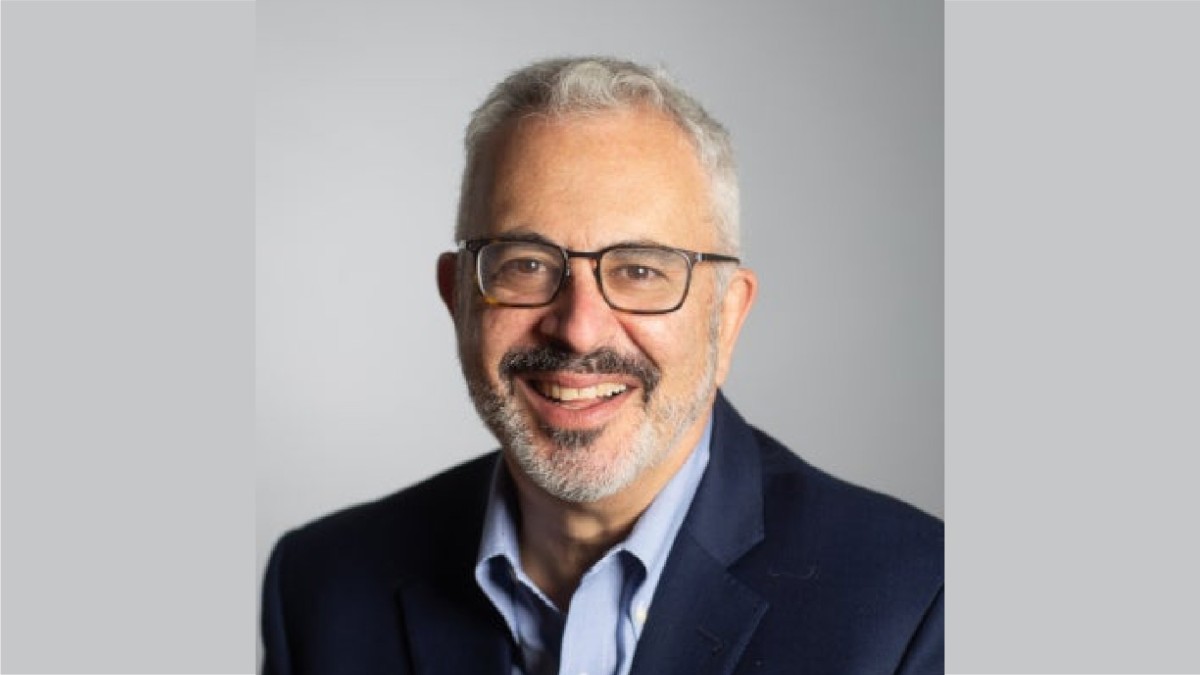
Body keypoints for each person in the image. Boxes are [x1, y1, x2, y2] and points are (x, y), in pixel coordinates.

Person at [261, 56, 943, 675]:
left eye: (640, 270)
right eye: (526, 264)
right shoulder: (321, 589)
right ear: (459, 297)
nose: (579, 327)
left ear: (727, 315)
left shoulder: (916, 603)